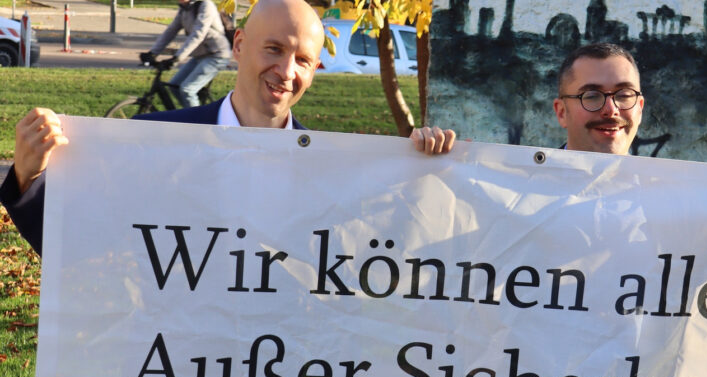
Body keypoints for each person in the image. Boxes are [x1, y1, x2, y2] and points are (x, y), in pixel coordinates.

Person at [1, 0, 456, 256]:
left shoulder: (332, 169)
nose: (286, 70)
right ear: (239, 45)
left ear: (316, 67)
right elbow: (78, 250)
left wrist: (421, 175)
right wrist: (27, 178)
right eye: (273, 49)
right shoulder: (152, 143)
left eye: (303, 60)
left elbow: (390, 262)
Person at [551, 43, 707, 187]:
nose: (611, 109)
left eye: (624, 94)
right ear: (562, 112)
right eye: (591, 95)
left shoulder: (669, 197)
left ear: (640, 107)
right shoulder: (517, 195)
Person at [142, 0, 232, 109]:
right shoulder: (184, 9)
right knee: (174, 86)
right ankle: (187, 115)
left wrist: (177, 58)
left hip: (217, 55)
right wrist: (152, 53)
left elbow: (198, 34)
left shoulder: (205, 5)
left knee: (187, 90)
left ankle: (197, 123)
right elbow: (170, 31)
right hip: (200, 55)